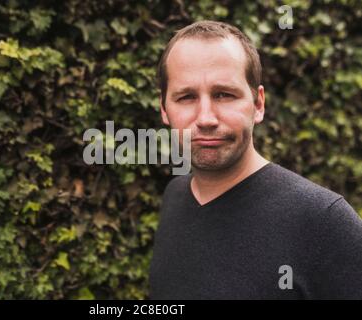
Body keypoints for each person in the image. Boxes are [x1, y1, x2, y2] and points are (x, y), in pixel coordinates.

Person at [149, 20, 362, 299]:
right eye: (186, 97)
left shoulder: (323, 221)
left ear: (258, 104)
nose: (206, 119)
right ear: (164, 109)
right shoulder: (175, 196)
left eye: (224, 95)